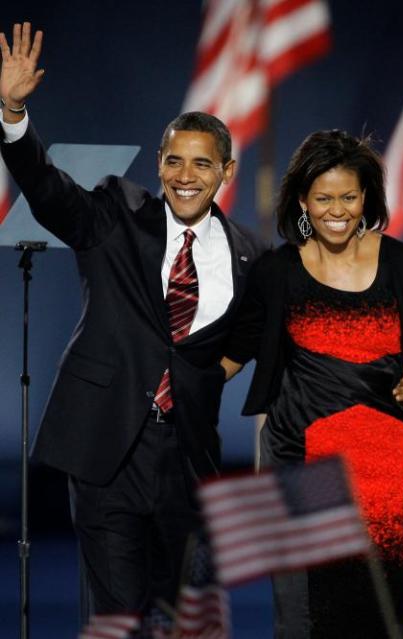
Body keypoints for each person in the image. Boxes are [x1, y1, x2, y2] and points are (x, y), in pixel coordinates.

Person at [0, 23, 268, 616]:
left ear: (226, 171)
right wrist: (13, 112)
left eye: (202, 164)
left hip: (187, 458)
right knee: (118, 612)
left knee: (178, 613)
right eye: (174, 160)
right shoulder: (115, 213)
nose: (185, 175)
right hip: (105, 447)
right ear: (160, 163)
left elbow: (255, 326)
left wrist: (210, 374)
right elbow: (47, 191)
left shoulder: (250, 252)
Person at [221, 129, 403, 638]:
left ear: (365, 195)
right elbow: (231, 357)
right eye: (323, 198)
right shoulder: (277, 271)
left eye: (348, 197)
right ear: (303, 199)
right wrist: (157, 376)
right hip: (296, 462)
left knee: (377, 619)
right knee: (302, 621)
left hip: (384, 469)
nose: (337, 210)